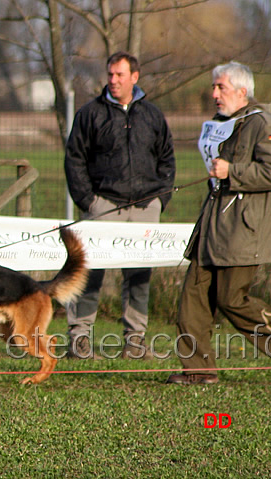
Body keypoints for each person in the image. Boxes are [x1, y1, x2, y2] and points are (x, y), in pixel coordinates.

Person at [167, 61, 271, 385]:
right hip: (211, 226)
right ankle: (198, 371)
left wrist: (232, 172)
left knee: (232, 300)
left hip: (241, 231)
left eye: (220, 87)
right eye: (213, 87)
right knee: (192, 299)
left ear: (242, 91)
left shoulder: (262, 123)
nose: (214, 94)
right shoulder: (221, 124)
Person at [64, 51, 176, 360]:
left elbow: (167, 159)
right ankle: (79, 341)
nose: (113, 80)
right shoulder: (90, 114)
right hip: (103, 205)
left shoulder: (152, 116)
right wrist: (89, 201)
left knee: (139, 275)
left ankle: (135, 342)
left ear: (134, 78)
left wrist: (159, 199)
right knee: (89, 272)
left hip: (145, 208)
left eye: (119, 75)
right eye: (110, 75)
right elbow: (74, 160)